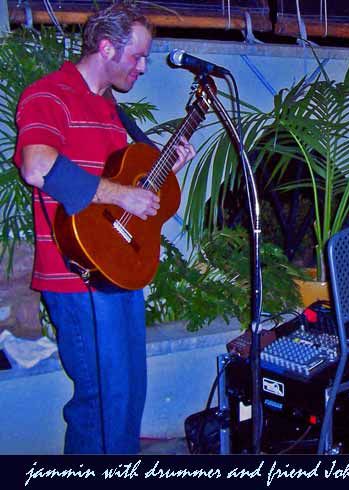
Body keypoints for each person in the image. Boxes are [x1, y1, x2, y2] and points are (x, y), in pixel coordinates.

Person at [13, 3, 196, 454]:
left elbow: (121, 191)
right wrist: (122, 196)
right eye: (137, 56)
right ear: (107, 47)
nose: (143, 67)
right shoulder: (48, 94)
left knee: (127, 397)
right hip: (76, 276)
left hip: (118, 270)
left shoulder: (112, 111)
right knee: (102, 405)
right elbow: (37, 166)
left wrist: (164, 170)